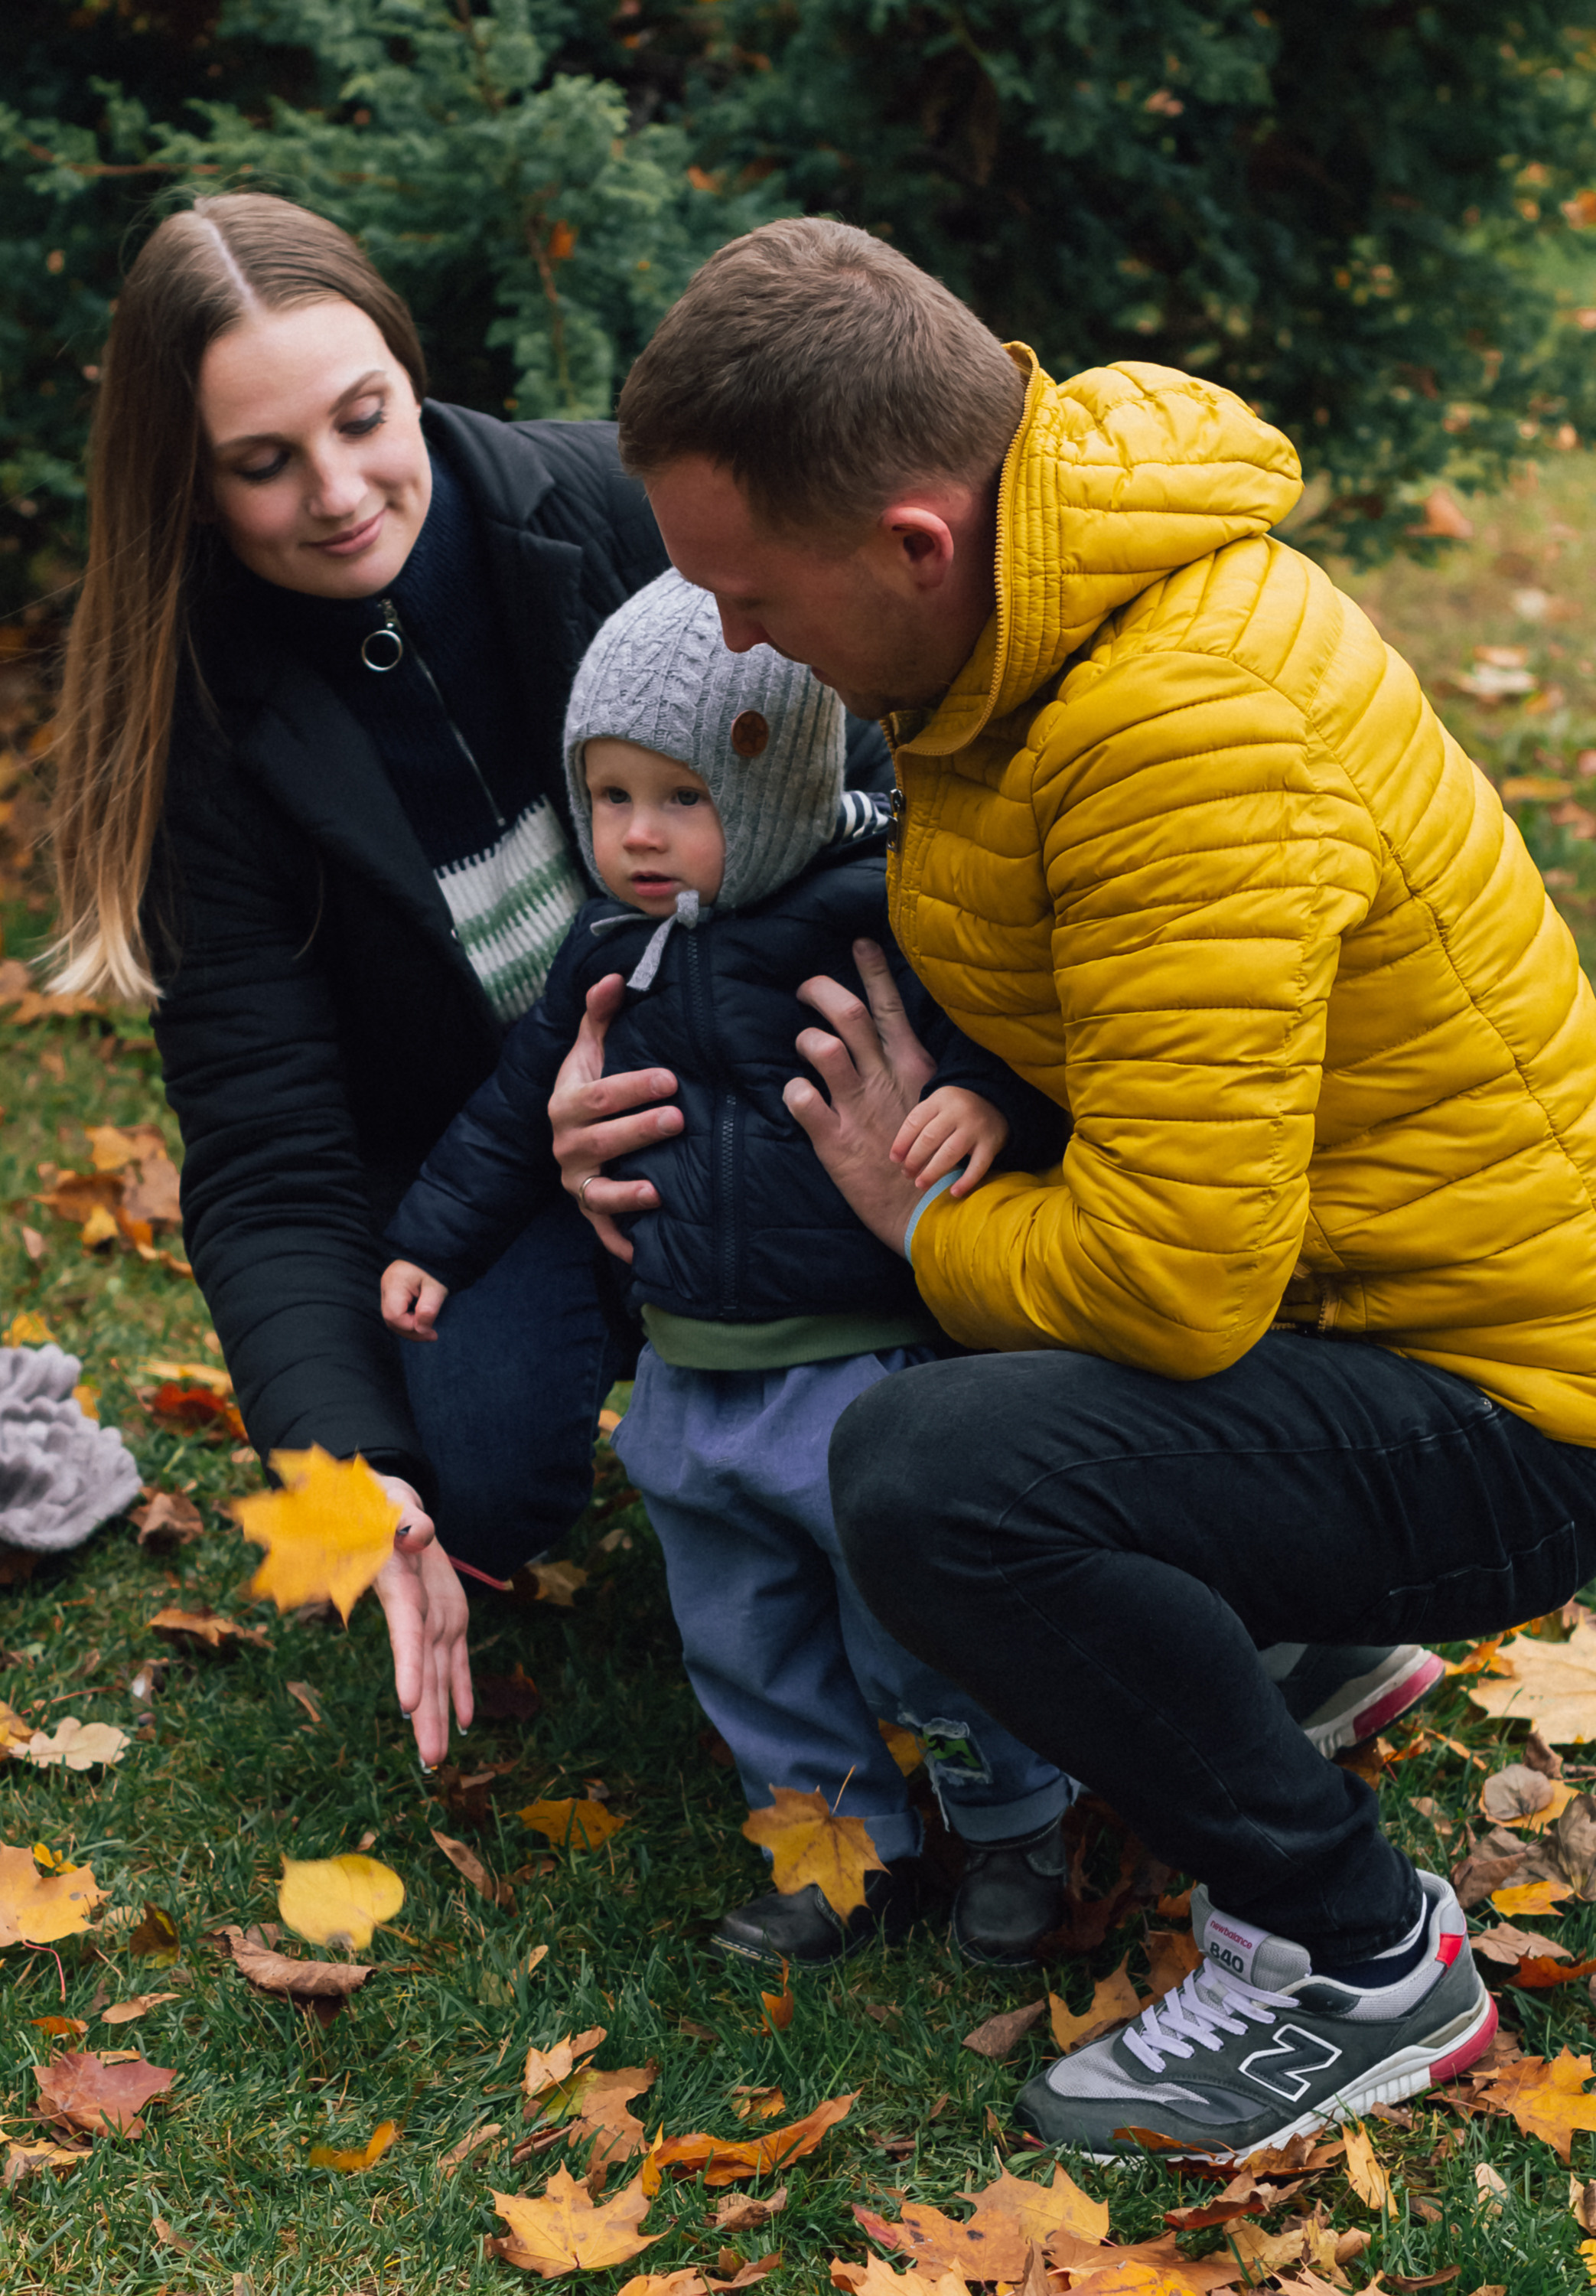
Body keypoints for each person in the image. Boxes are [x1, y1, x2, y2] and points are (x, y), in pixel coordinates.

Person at [547, 216, 1596, 2154]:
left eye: (753, 594)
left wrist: (922, 1220)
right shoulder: (1040, 615)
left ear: (913, 544)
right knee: (968, 1436)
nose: (742, 643)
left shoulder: (1170, 728)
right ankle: (1297, 1646)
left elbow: (1173, 1286)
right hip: (1366, 1308)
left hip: (1503, 1408)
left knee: (930, 1474)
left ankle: (1351, 1961)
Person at [46, 191, 889, 1767]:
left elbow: (878, 784)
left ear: (407, 373)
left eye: (365, 420)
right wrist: (347, 1475)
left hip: (775, 1069)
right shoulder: (204, 730)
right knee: (475, 1474)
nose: (340, 491)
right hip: (479, 1172)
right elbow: (270, 1152)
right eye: (262, 463)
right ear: (191, 485)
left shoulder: (619, 515)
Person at [379, 567, 1083, 1966]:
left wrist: (992, 1096)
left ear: (766, 796)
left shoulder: (872, 910)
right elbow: (522, 1107)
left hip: (859, 1366)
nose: (639, 837)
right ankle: (835, 1846)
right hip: (688, 1379)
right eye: (611, 798)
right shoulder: (607, 950)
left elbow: (1019, 1001)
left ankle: (1009, 1821)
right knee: (742, 1637)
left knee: (912, 1624)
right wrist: (430, 1241)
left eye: (682, 800)